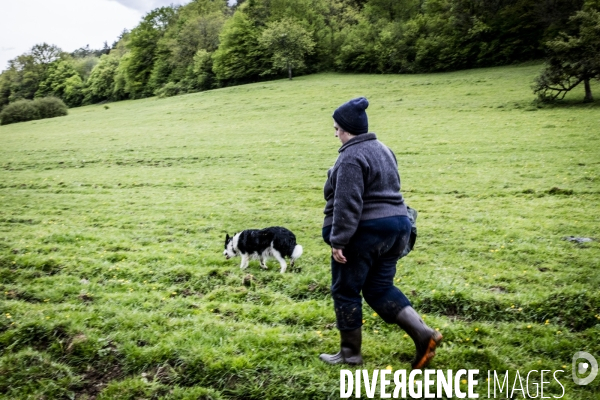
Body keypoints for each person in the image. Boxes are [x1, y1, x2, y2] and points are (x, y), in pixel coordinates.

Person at [319, 97, 442, 369]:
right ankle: (424, 334)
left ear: (347, 129)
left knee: (346, 289)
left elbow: (348, 202)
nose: (335, 132)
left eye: (337, 127)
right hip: (398, 227)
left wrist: (339, 240)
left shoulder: (351, 156)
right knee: (378, 287)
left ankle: (349, 354)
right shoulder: (384, 149)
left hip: (367, 231)